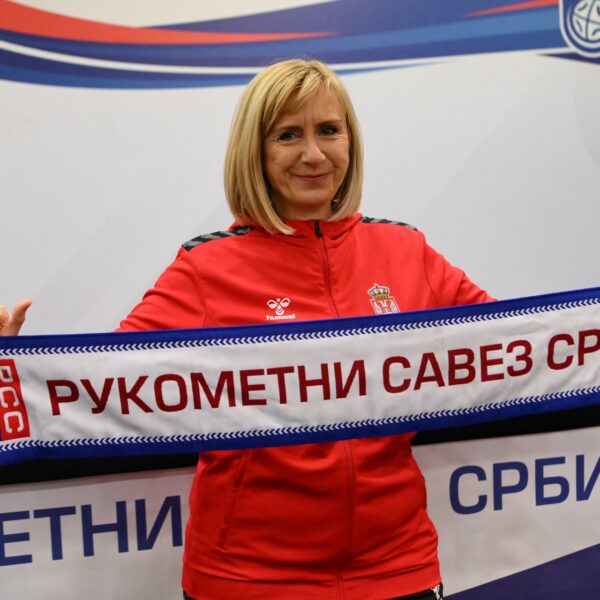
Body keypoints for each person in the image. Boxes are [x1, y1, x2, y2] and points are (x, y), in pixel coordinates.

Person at [1, 59, 493, 599]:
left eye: (329, 130)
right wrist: (13, 369)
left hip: (398, 570)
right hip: (247, 580)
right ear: (255, 152)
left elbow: (513, 351)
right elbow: (103, 386)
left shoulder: (405, 250)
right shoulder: (205, 268)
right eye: (288, 135)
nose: (314, 154)